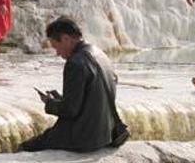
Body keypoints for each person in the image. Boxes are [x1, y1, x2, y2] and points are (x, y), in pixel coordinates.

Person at [18, 17, 128, 153]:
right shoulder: (101, 55)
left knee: (25, 148)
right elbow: (91, 97)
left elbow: (70, 110)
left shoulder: (75, 63)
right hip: (106, 135)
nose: (57, 53)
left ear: (65, 38)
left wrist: (49, 103)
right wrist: (61, 99)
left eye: (56, 47)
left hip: (84, 138)